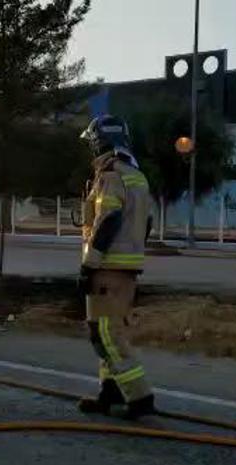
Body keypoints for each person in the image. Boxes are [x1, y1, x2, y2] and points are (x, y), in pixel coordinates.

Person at [76, 114, 156, 420]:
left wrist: (89, 265)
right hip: (126, 268)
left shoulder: (110, 176)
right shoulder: (137, 176)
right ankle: (109, 392)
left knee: (107, 334)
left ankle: (139, 398)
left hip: (108, 268)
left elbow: (107, 220)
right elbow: (145, 223)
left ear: (100, 141)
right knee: (106, 330)